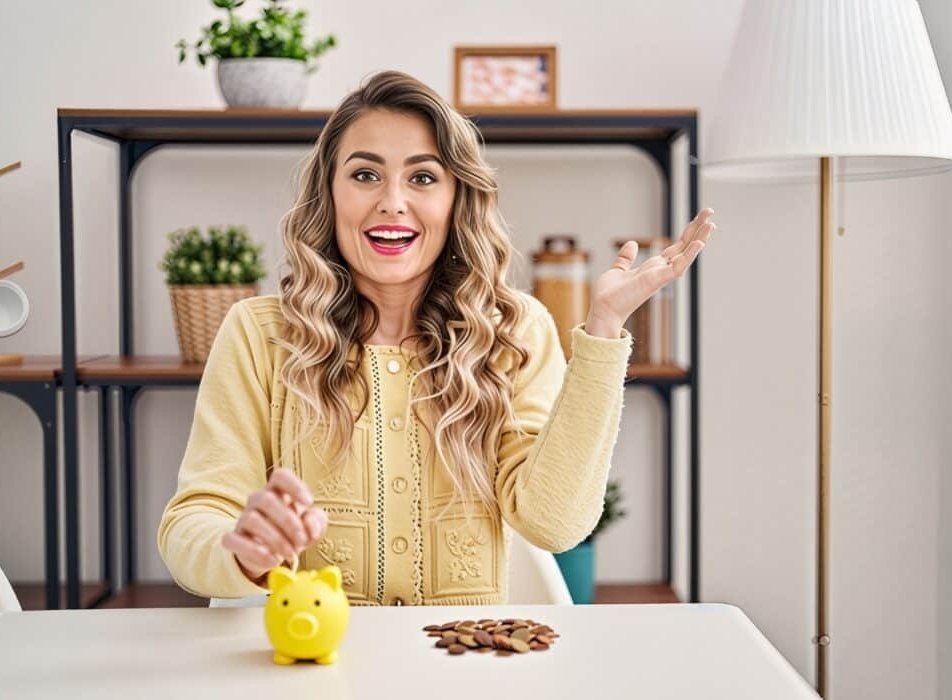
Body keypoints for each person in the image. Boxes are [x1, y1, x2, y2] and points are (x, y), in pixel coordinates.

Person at [157, 70, 715, 606]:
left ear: (456, 200)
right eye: (365, 175)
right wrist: (242, 549)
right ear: (329, 193)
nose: (392, 201)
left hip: (469, 657)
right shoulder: (260, 334)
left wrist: (605, 329)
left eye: (423, 178)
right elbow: (192, 521)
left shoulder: (514, 330)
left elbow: (553, 523)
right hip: (312, 655)